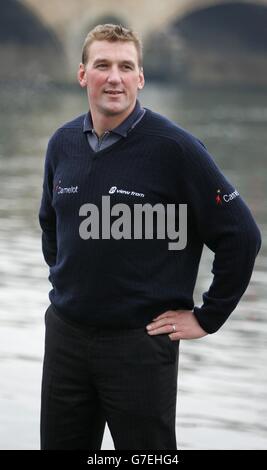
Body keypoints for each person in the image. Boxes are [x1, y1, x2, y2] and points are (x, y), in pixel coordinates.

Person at [39, 24, 261, 450]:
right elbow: (51, 225)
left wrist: (208, 316)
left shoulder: (176, 149)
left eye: (126, 66)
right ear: (82, 74)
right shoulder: (62, 143)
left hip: (139, 346)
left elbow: (241, 236)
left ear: (141, 77)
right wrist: (71, 286)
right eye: (102, 65)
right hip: (66, 337)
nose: (114, 77)